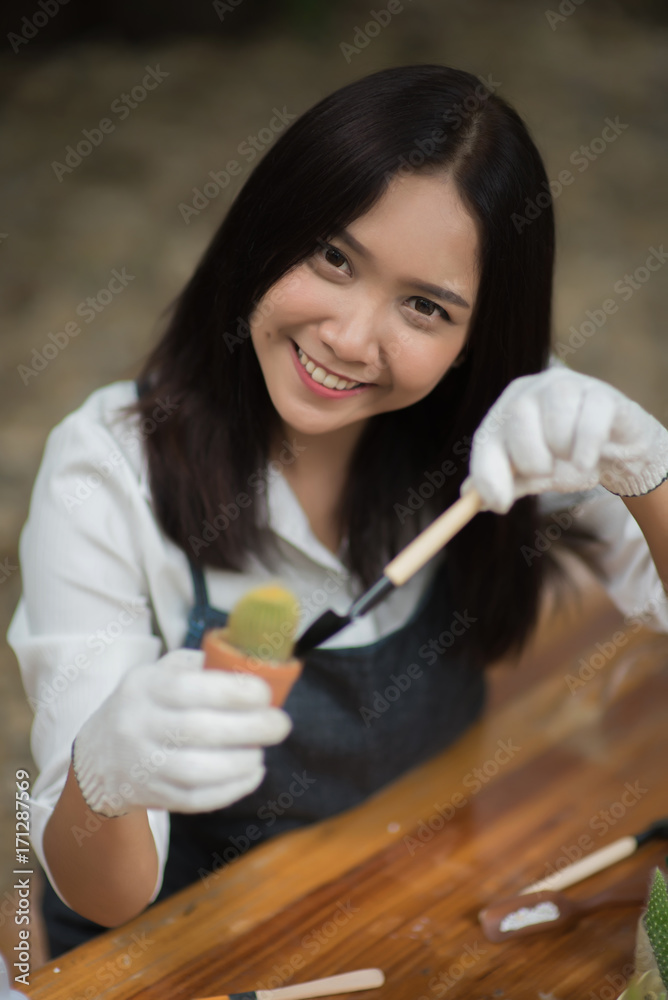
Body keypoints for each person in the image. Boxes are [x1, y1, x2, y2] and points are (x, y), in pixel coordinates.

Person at [8, 64, 668, 960]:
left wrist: (646, 471)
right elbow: (104, 895)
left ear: (479, 338)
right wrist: (104, 777)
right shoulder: (106, 473)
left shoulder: (509, 436)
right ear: (267, 226)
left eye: (425, 307)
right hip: (170, 964)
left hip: (404, 932)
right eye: (333, 257)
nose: (351, 339)